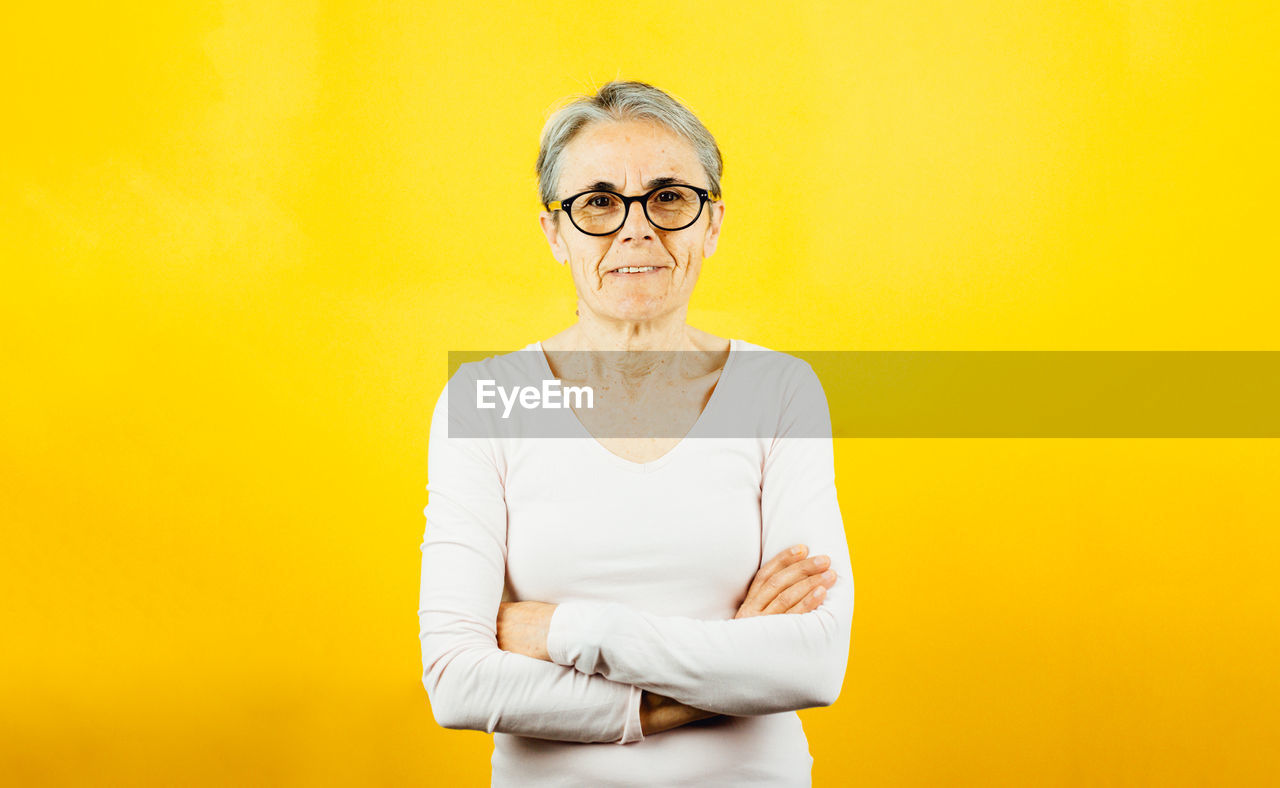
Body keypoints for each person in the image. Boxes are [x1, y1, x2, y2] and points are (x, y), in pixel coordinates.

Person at [418, 80, 854, 787]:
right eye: (597, 202)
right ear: (555, 233)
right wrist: (734, 664)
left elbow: (813, 665)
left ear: (711, 224)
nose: (635, 228)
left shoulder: (779, 390)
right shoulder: (487, 399)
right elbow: (458, 682)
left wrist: (571, 633)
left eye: (669, 196)